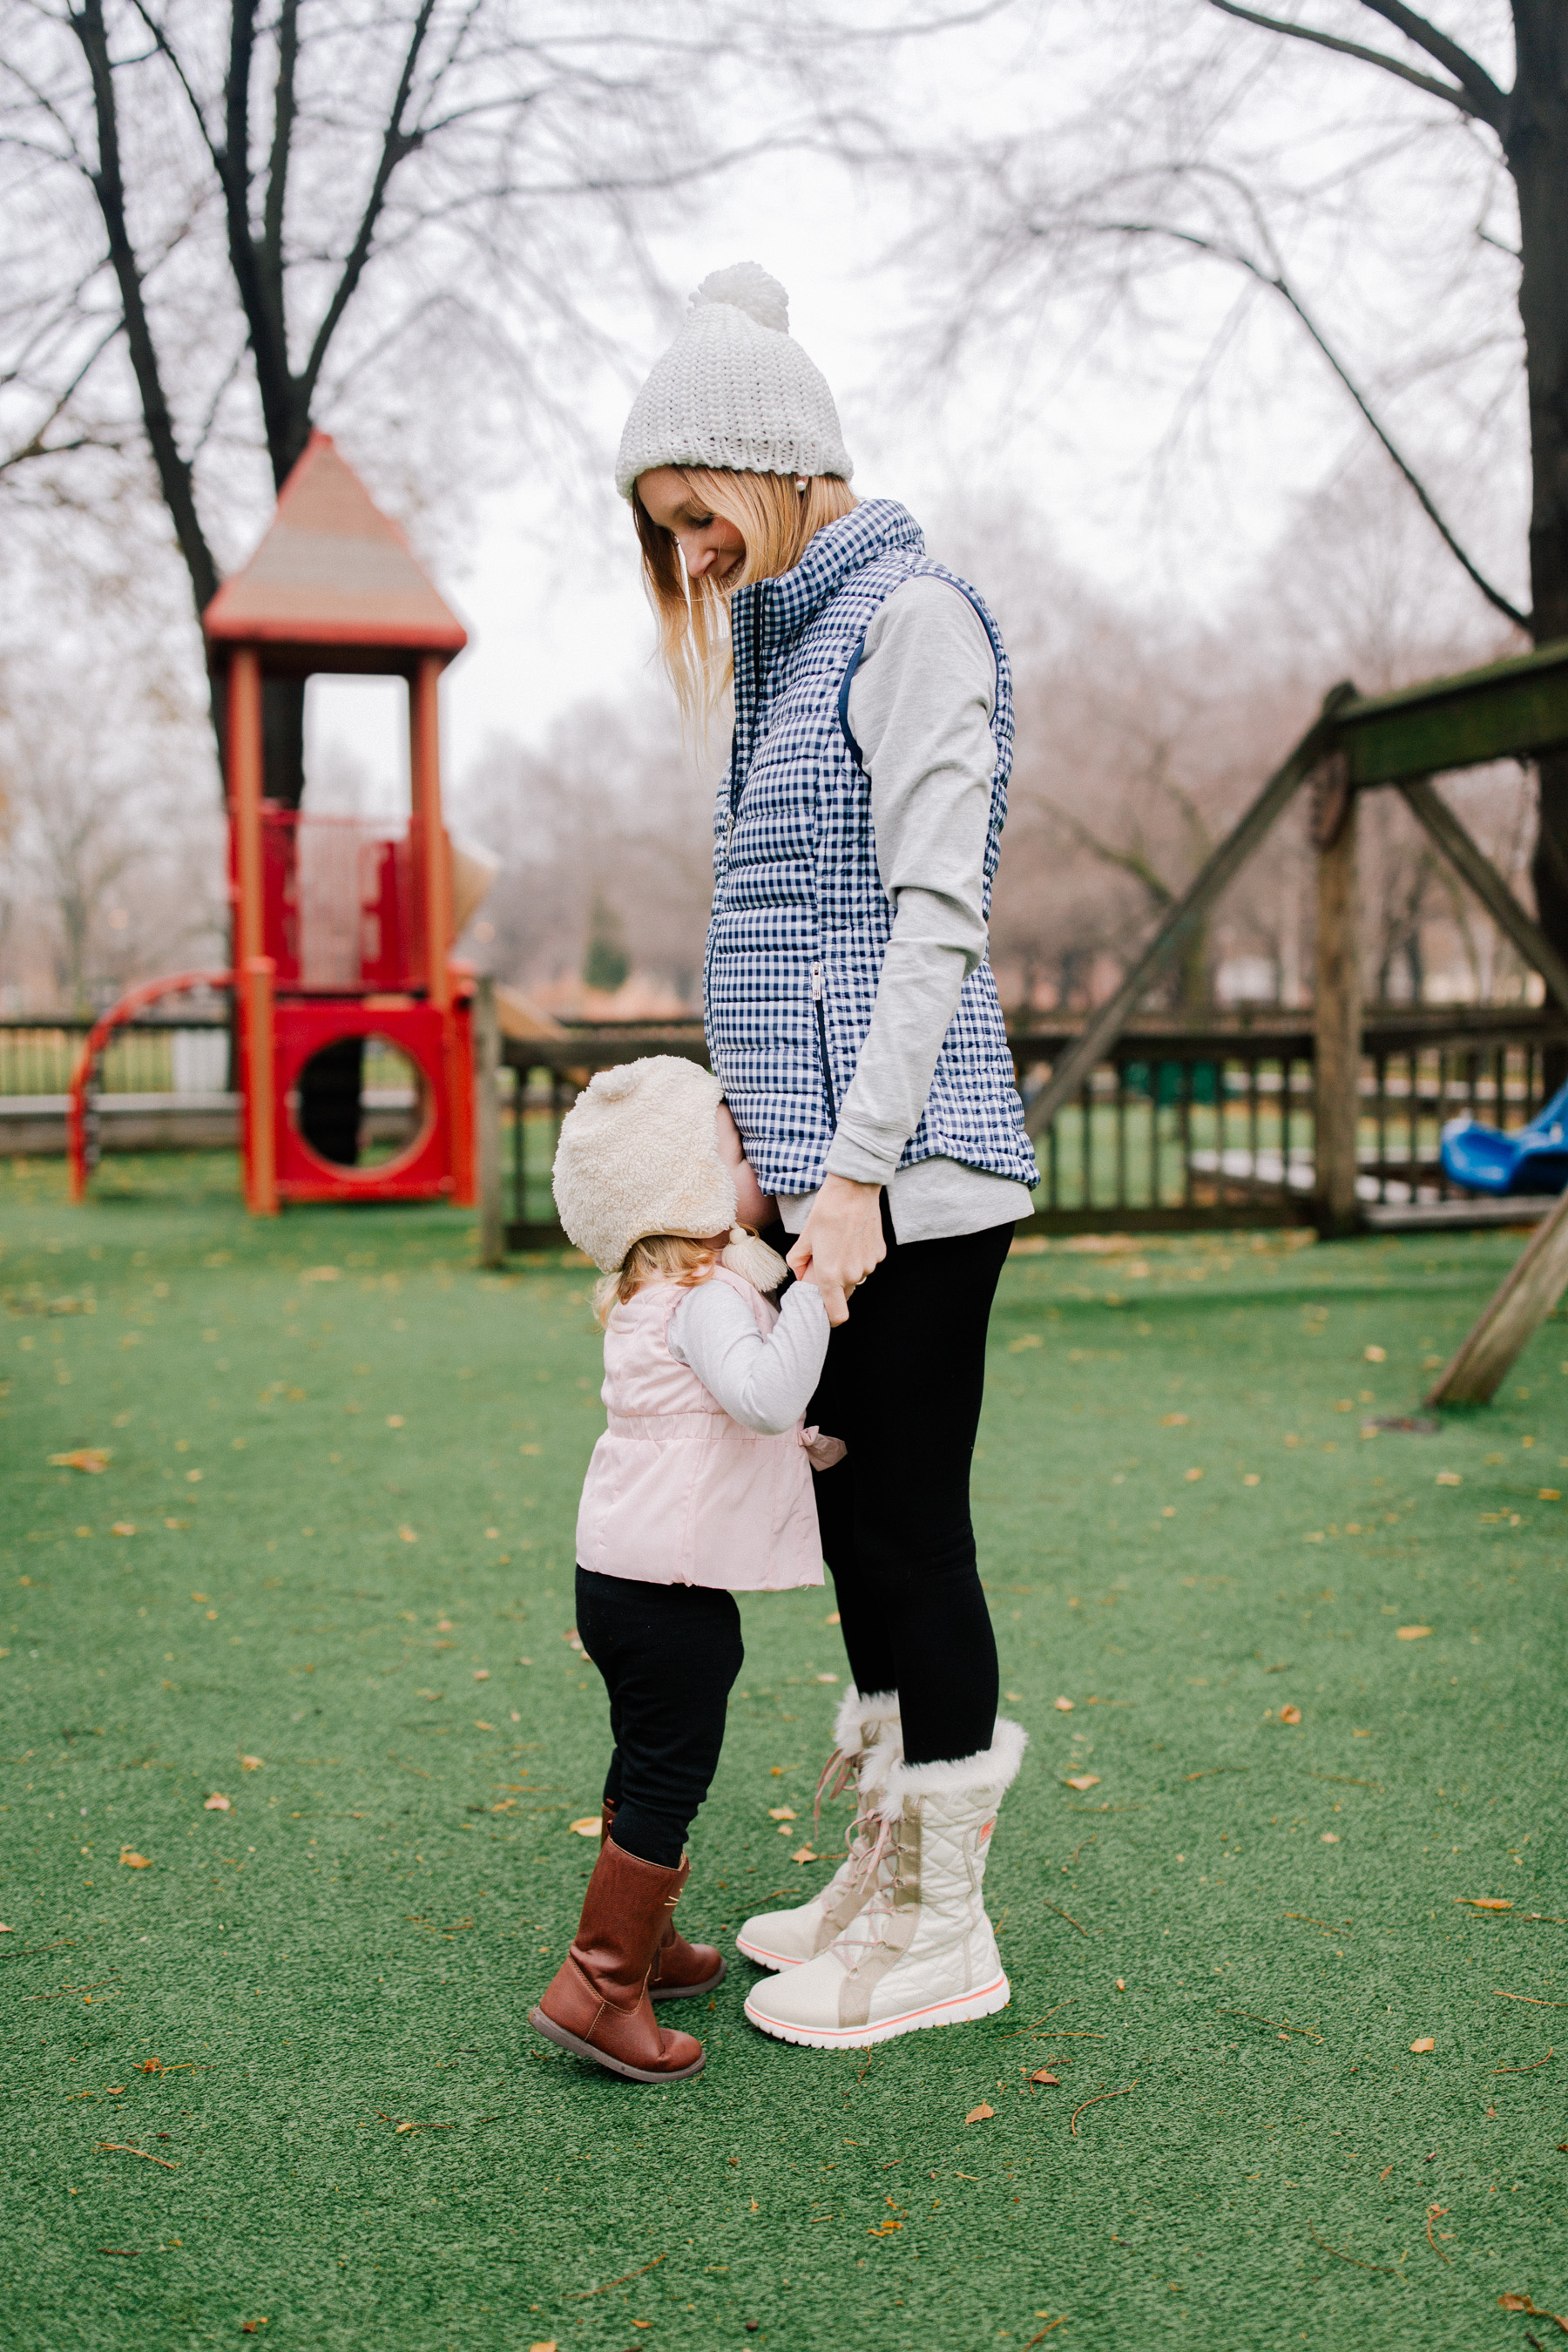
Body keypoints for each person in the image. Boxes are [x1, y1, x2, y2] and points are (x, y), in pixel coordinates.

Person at [616, 262, 1034, 2050]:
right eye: (665, 533)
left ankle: (949, 1929)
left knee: (909, 1532)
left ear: (773, 459)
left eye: (698, 512)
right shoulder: (785, 648)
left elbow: (933, 917)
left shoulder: (914, 618)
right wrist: (777, 1170)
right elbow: (787, 934)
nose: (693, 555)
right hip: (824, 1182)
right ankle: (885, 1868)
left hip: (918, 1175)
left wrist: (854, 1172)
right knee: (851, 1522)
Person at [531, 1054, 838, 2083]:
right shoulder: (706, 1293)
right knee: (671, 1771)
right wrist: (816, 1296)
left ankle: (646, 1949)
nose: (760, 1167)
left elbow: (712, 1423)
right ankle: (600, 1983)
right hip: (666, 1592)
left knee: (641, 1759)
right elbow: (757, 1396)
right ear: (691, 1191)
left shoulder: (647, 1294)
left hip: (619, 1576)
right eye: (741, 1154)